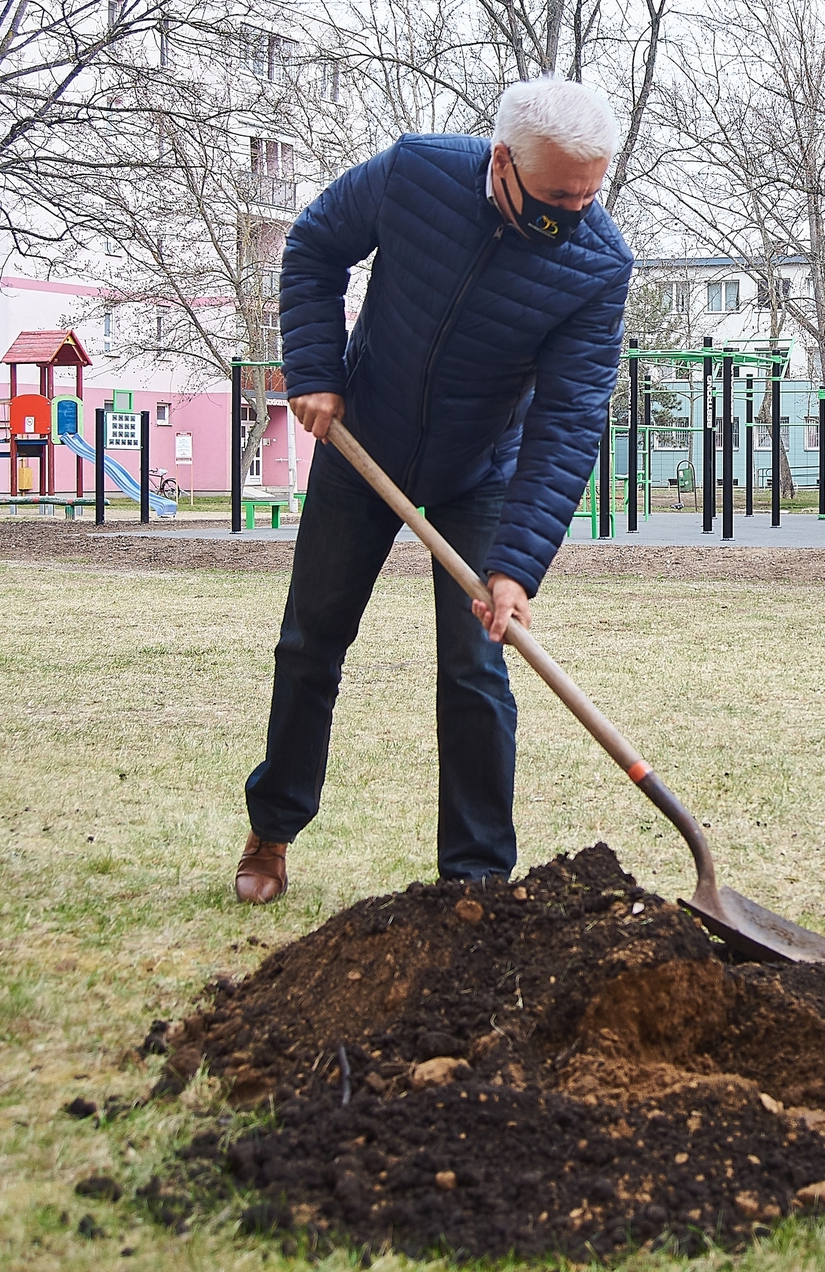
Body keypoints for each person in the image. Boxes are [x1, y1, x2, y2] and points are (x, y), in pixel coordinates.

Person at [233, 77, 631, 903]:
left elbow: (568, 420)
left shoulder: (598, 266)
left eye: (591, 195)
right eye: (559, 195)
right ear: (502, 163)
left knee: (478, 667)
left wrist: (516, 566)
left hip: (477, 471)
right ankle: (272, 829)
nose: (577, 213)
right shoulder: (416, 173)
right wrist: (315, 371)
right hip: (363, 441)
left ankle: (477, 877)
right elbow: (312, 248)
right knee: (311, 644)